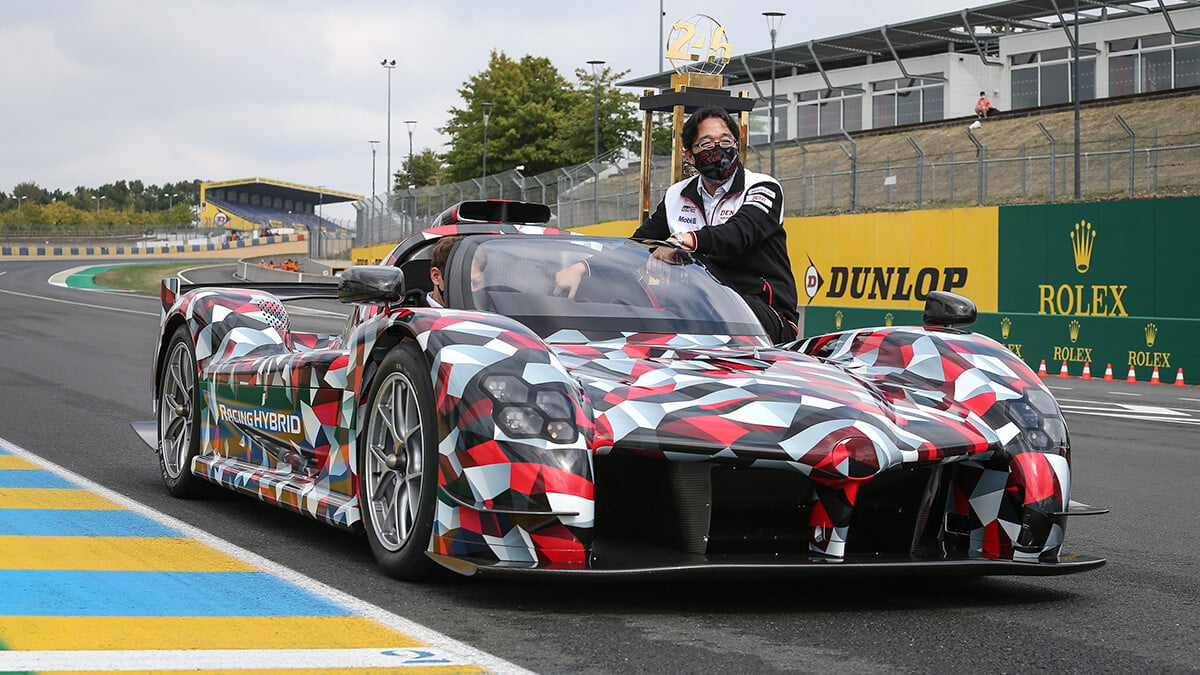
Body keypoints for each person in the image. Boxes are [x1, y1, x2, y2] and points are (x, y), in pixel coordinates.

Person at [561, 106, 798, 343]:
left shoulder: (763, 187)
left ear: (736, 145)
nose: (718, 149)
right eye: (706, 143)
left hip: (763, 315)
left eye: (725, 141)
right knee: (630, 312)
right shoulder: (677, 194)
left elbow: (739, 233)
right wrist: (584, 268)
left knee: (709, 310)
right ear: (689, 155)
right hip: (699, 311)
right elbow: (638, 246)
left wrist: (681, 242)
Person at [426, 235, 486, 308]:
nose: (470, 290)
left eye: (476, 283)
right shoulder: (414, 315)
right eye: (462, 282)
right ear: (436, 276)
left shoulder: (490, 310)